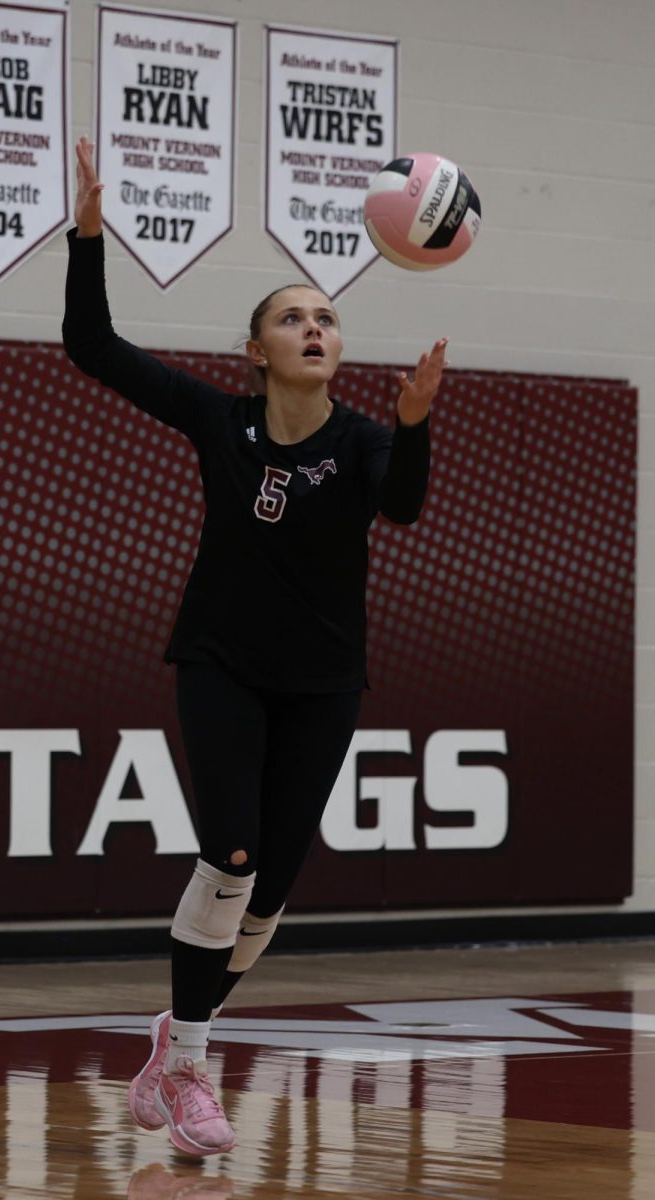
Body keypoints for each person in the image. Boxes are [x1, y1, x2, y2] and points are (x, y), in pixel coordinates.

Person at [63, 136, 446, 1158]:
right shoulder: (219, 420)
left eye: (326, 318)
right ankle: (189, 1066)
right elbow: (92, 347)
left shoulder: (362, 441)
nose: (313, 327)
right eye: (292, 317)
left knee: (270, 892)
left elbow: (402, 506)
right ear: (257, 349)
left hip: (323, 683)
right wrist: (89, 233)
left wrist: (411, 425)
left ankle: (175, 1039)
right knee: (228, 856)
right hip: (222, 662)